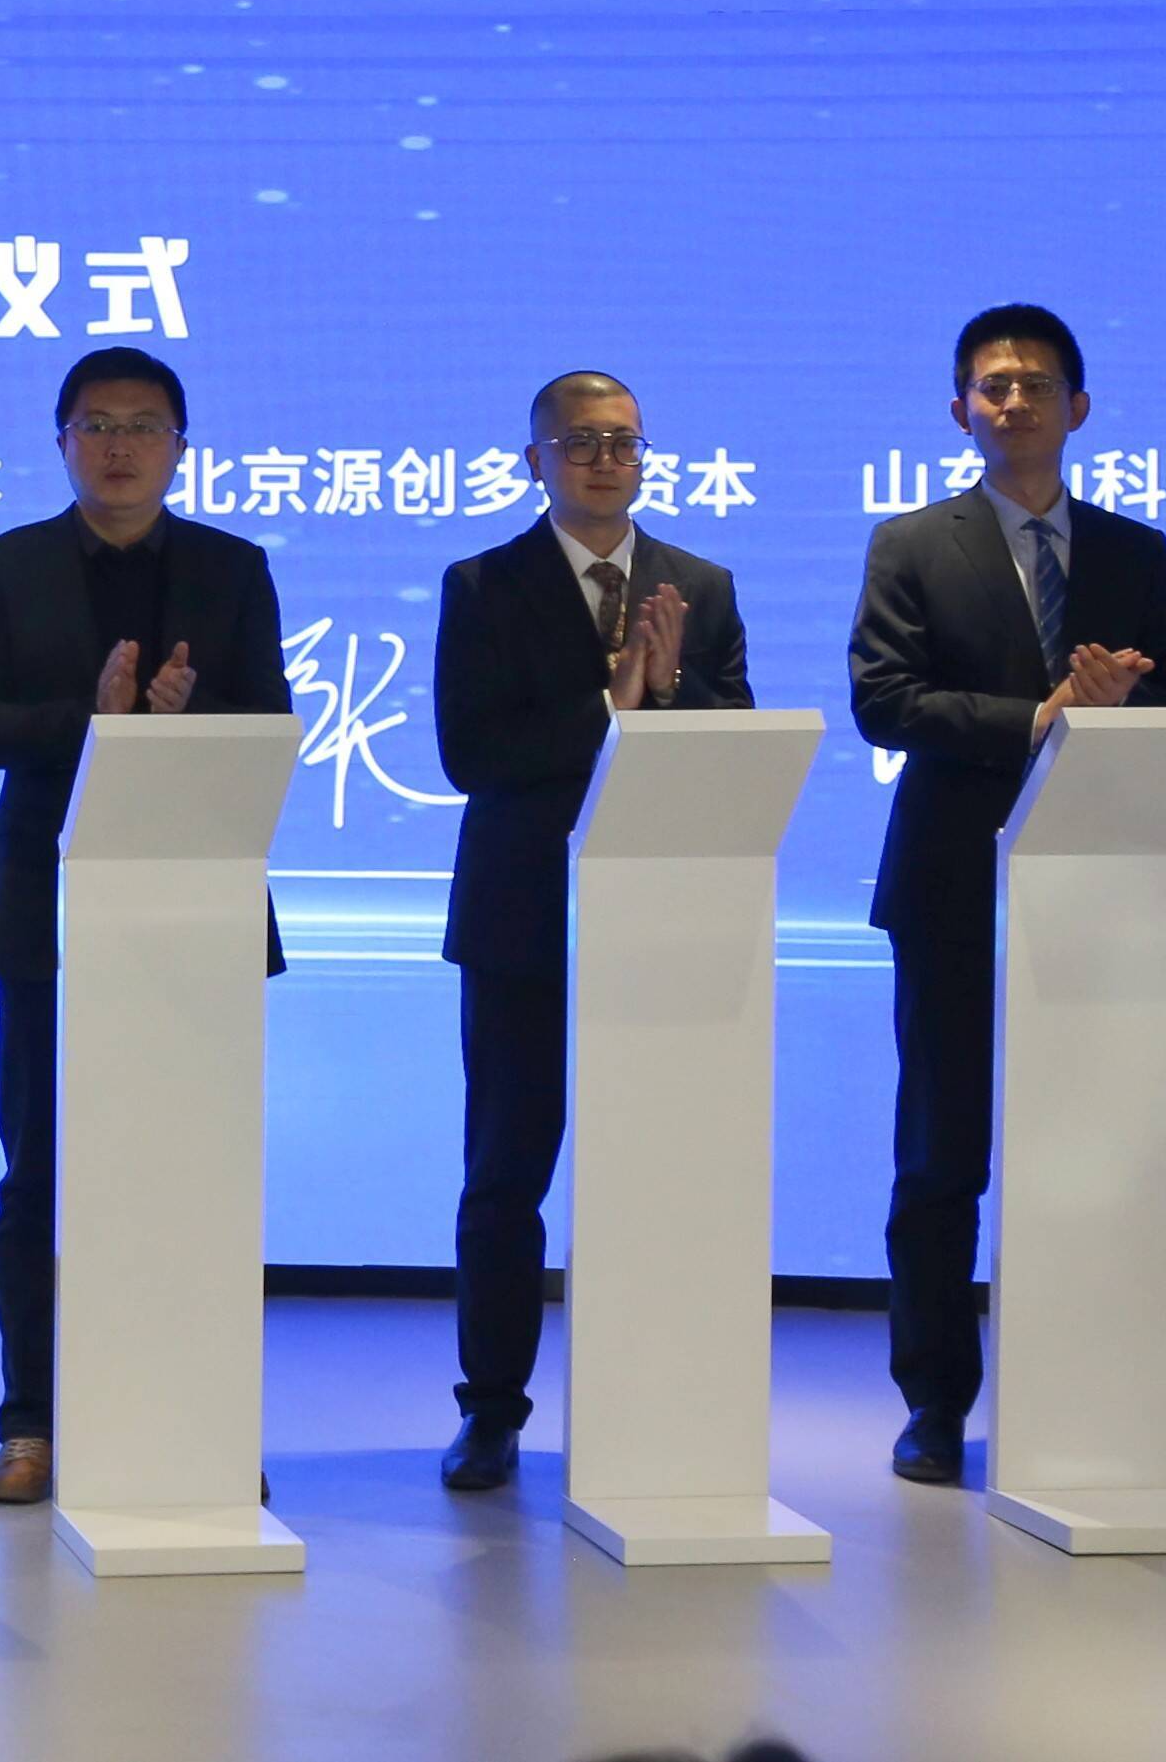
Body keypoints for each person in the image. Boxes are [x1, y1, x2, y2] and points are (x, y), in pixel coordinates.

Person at [849, 302, 1166, 1488]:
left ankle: (1079, 1389)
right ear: (960, 410)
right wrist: (1038, 715)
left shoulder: (1138, 553)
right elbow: (884, 701)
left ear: (1078, 408)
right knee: (941, 1155)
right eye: (992, 386)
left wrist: (1120, 705)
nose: (1013, 403)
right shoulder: (912, 542)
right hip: (951, 881)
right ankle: (934, 1401)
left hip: (1100, 893)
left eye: (1036, 385)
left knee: (1091, 1156)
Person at [0, 346, 288, 1509]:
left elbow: (269, 722)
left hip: (196, 905)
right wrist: (93, 724)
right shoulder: (6, 564)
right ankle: (31, 1422)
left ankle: (197, 1422)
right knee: (38, 1172)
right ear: (61, 441)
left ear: (180, 447)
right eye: (97, 425)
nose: (120, 446)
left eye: (144, 426)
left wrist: (184, 721)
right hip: (47, 901)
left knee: (194, 1173)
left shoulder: (234, 568)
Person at [427, 369, 753, 1493]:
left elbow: (730, 741)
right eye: (578, 442)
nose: (603, 459)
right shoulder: (482, 583)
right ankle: (492, 1410)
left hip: (659, 921)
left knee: (656, 1175)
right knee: (505, 1177)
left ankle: (650, 1403)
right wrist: (608, 704)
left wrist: (667, 693)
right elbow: (471, 753)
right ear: (536, 461)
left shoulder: (698, 583)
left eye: (622, 442)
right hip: (521, 919)